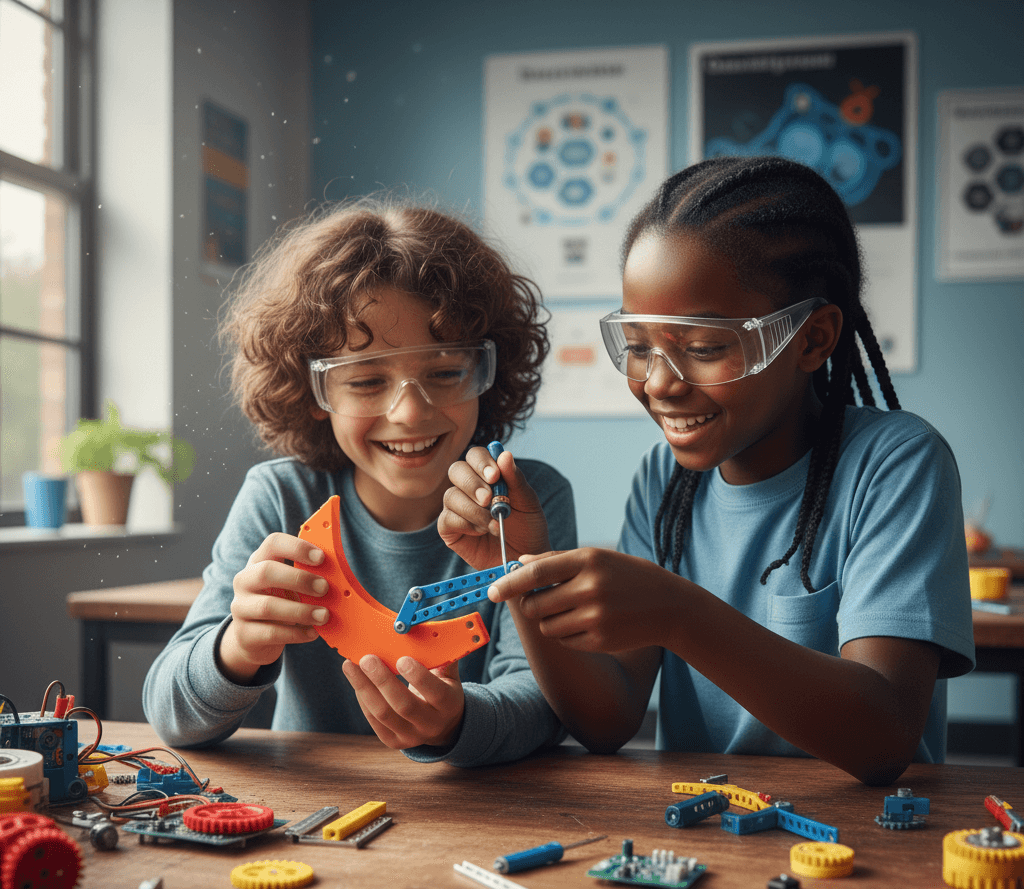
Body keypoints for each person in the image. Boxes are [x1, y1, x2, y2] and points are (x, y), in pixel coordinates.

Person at [441, 157, 974, 785]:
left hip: (871, 840)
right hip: (706, 836)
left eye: (703, 348)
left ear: (811, 340)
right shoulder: (662, 484)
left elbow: (883, 737)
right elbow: (608, 719)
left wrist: (679, 615)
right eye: (638, 346)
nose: (660, 383)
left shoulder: (895, 465)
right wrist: (524, 572)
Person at [143, 200, 575, 766]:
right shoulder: (281, 498)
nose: (409, 415)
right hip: (310, 821)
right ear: (314, 392)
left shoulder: (522, 500)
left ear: (486, 376)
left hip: (479, 816)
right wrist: (237, 646)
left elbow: (549, 702)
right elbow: (171, 713)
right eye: (368, 381)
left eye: (444, 373)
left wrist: (457, 724)